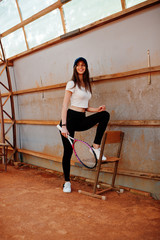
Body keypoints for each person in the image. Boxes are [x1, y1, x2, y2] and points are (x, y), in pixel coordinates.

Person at [59, 57, 110, 193]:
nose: (81, 67)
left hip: (81, 118)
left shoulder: (86, 85)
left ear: (86, 68)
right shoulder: (71, 84)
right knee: (68, 152)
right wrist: (64, 126)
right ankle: (67, 182)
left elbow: (85, 107)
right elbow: (65, 105)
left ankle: (95, 148)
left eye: (83, 65)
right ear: (75, 67)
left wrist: (97, 109)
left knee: (105, 115)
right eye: (78, 65)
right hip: (69, 120)